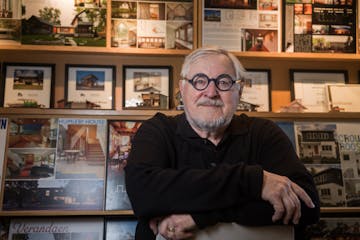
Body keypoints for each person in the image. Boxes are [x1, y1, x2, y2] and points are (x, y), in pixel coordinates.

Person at [125, 46, 320, 240]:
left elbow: (307, 204)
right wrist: (255, 182)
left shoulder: (264, 133)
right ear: (182, 89)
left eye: (223, 82)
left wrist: (202, 216)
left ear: (239, 91)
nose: (211, 92)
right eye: (199, 81)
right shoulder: (158, 130)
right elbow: (144, 194)